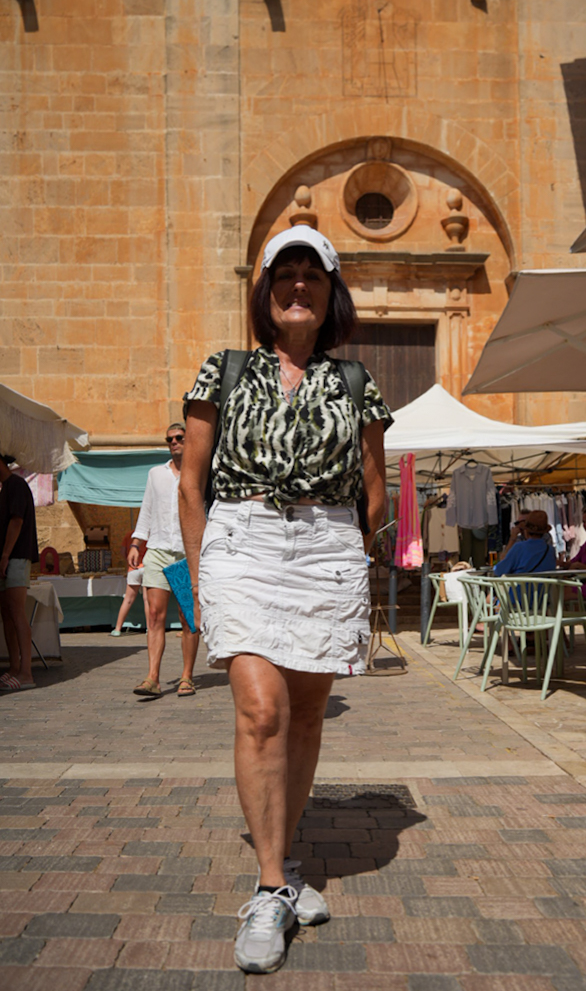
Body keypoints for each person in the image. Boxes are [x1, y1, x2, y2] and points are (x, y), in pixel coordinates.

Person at [179, 224, 392, 975]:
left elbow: (375, 491)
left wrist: (350, 556)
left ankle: (285, 859)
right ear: (265, 290)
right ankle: (270, 887)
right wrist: (203, 575)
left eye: (313, 274)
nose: (297, 284)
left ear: (332, 293)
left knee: (304, 716)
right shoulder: (225, 370)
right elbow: (191, 483)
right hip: (243, 540)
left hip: (327, 548)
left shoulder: (357, 382)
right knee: (262, 709)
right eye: (284, 273)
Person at [129, 423, 200, 698]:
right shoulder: (155, 474)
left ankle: (187, 677)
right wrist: (136, 543)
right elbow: (146, 510)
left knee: (187, 617)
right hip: (158, 550)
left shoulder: (200, 473)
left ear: (189, 439)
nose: (174, 442)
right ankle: (153, 678)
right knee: (154, 615)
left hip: (186, 553)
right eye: (169, 439)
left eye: (179, 437)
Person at [0, 455, 39, 692]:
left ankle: (26, 673)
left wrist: (5, 555)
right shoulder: (6, 488)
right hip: (8, 559)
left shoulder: (16, 485)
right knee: (7, 613)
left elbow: (16, 522)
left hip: (16, 557)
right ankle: (15, 668)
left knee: (16, 612)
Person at [493, 510, 557, 576]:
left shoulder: (519, 548)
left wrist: (512, 538)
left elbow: (499, 571)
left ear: (526, 530)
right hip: (545, 582)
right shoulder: (550, 550)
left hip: (521, 582)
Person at [110, 532, 148, 637]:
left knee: (128, 599)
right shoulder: (148, 534)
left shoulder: (129, 535)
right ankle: (150, 629)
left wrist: (129, 561)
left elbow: (123, 552)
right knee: (147, 600)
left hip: (133, 568)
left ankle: (117, 629)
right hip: (146, 567)